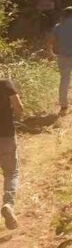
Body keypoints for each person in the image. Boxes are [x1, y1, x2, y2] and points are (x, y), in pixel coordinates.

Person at [1, 78, 23, 230]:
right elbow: (18, 107)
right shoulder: (5, 84)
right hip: (6, 136)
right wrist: (19, 118)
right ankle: (8, 204)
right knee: (11, 173)